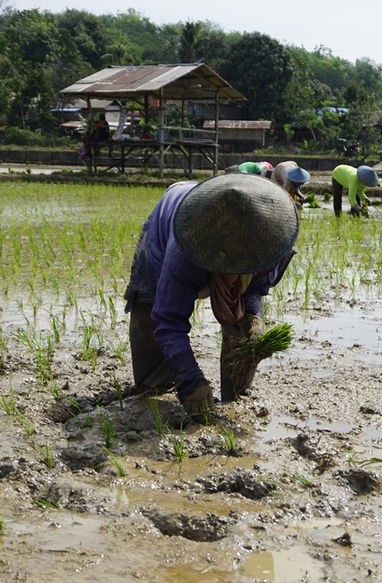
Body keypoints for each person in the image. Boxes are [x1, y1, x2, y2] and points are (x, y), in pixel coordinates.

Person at [123, 174, 299, 421]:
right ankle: (159, 386)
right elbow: (167, 319)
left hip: (227, 224)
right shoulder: (186, 245)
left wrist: (253, 315)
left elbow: (256, 287)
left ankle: (235, 392)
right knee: (149, 312)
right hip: (170, 221)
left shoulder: (272, 238)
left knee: (241, 330)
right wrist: (190, 381)